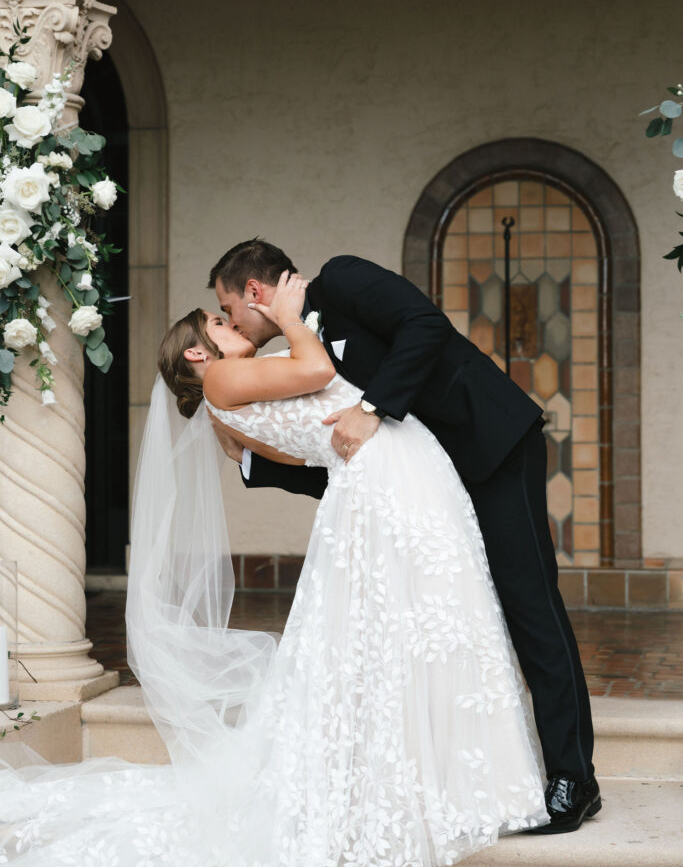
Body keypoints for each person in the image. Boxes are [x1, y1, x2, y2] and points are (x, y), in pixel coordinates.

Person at [0, 273, 549, 866]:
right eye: (218, 323)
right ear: (196, 352)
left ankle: (436, 781)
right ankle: (440, 786)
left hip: (387, 477)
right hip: (390, 479)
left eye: (228, 314)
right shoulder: (225, 376)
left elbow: (303, 439)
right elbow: (316, 374)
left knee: (418, 627)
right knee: (426, 622)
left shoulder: (229, 395)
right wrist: (289, 315)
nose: (232, 325)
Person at [208, 238, 601, 835]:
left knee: (530, 608)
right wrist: (254, 464)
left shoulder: (340, 279)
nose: (231, 322)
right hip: (433, 482)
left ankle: (575, 780)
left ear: (255, 292)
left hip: (490, 448)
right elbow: (354, 462)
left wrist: (374, 405)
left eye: (229, 310)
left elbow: (426, 324)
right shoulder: (301, 347)